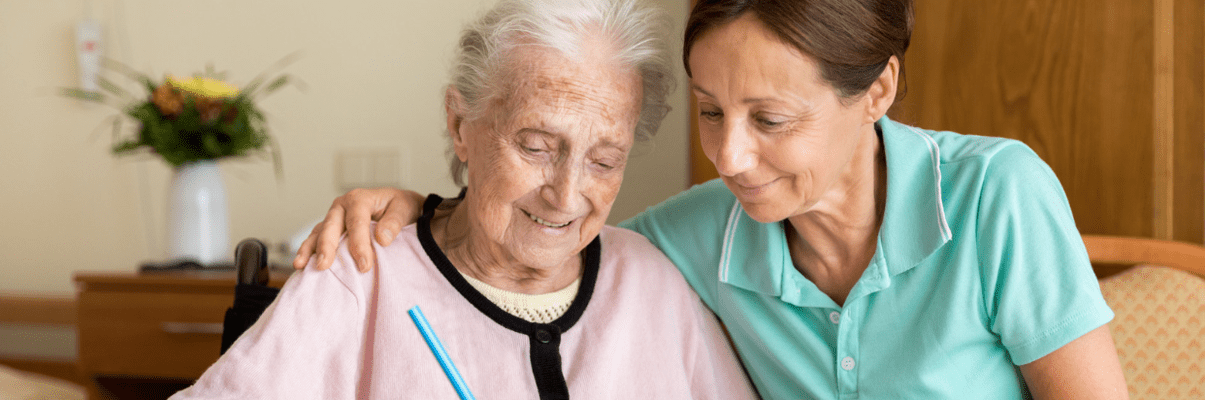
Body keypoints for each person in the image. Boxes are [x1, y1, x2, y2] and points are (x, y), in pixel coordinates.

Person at [296, 0, 1131, 398]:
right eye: (709, 111)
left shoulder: (995, 195)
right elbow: (547, 229)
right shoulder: (691, 239)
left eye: (769, 119)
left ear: (876, 92)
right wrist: (428, 204)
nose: (728, 157)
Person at [172, 0, 757, 398]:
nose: (566, 194)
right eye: (535, 146)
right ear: (461, 125)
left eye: (605, 160)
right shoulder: (362, 272)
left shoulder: (652, 284)